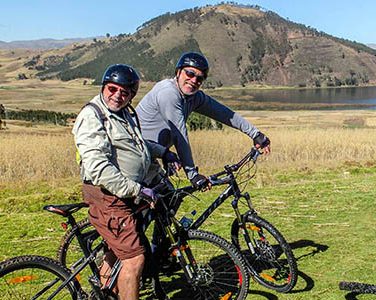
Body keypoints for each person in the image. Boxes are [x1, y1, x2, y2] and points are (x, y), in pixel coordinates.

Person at [72, 64, 180, 300]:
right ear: (104, 87)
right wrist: (138, 190)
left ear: (132, 95)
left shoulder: (125, 114)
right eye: (112, 89)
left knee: (117, 250)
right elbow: (98, 169)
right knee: (134, 258)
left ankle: (106, 294)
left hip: (123, 194)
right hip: (108, 196)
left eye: (125, 92)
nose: (117, 96)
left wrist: (163, 152)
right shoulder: (93, 115)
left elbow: (138, 145)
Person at [135, 51, 271, 191]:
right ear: (178, 72)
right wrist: (192, 174)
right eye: (190, 74)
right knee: (150, 203)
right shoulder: (168, 93)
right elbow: (179, 135)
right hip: (137, 154)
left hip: (154, 155)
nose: (194, 81)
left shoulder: (194, 97)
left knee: (167, 200)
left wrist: (255, 134)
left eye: (200, 78)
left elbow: (225, 114)